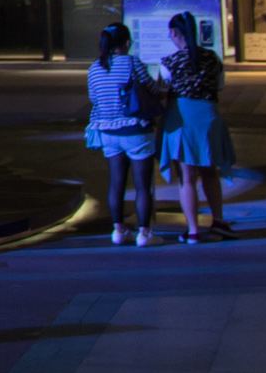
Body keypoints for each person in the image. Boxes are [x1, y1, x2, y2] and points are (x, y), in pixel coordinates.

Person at [159, 15, 236, 245]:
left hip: (182, 120)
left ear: (174, 33)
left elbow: (161, 90)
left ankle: (193, 230)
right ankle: (219, 220)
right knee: (210, 172)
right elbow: (220, 85)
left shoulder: (169, 62)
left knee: (187, 177)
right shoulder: (212, 58)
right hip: (209, 118)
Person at [86, 22, 161, 246]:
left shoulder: (94, 68)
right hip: (134, 130)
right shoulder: (131, 62)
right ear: (127, 43)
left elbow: (94, 98)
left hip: (107, 132)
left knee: (116, 182)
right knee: (142, 185)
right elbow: (152, 88)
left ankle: (118, 231)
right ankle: (144, 234)